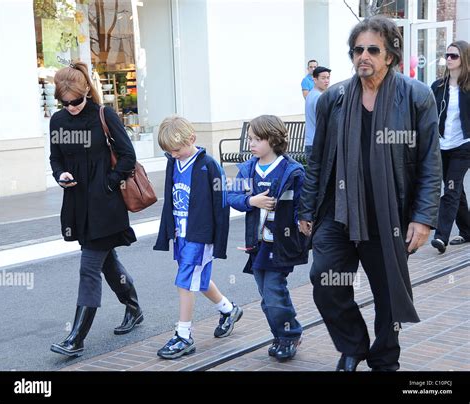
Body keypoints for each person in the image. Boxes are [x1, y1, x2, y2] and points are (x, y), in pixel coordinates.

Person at [298, 16, 441, 371]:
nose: (363, 56)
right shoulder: (333, 98)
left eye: (372, 50)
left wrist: (423, 218)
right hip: (338, 210)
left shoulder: (415, 96)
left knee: (388, 295)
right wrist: (306, 209)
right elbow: (316, 160)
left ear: (390, 55)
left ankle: (384, 359)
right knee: (324, 278)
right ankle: (352, 346)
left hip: (391, 214)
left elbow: (429, 163)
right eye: (358, 49)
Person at [49, 62, 144, 357]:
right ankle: (134, 307)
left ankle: (75, 338)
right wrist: (61, 175)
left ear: (86, 93)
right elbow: (56, 159)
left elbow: (128, 155)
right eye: (65, 102)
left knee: (89, 267)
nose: (71, 107)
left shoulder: (104, 115)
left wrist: (109, 183)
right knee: (107, 262)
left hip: (106, 205)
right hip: (77, 205)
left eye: (76, 101)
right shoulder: (58, 121)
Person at [154, 116, 243, 359]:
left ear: (191, 139)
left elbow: (221, 204)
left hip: (200, 235)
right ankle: (229, 309)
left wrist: (218, 239)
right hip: (182, 233)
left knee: (184, 281)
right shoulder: (174, 162)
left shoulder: (209, 165)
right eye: (169, 152)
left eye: (176, 149)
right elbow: (170, 198)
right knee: (198, 280)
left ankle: (184, 335)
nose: (174, 155)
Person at [228, 115, 309, 361]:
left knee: (274, 292)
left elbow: (302, 204)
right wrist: (251, 201)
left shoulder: (292, 171)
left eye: (257, 139)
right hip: (258, 245)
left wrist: (302, 222)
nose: (251, 143)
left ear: (273, 140)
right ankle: (281, 332)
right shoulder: (248, 168)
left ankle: (289, 335)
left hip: (282, 244)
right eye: (250, 138)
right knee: (267, 295)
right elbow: (230, 197)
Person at [430, 40, 470, 253]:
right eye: (447, 55)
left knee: (451, 190)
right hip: (442, 146)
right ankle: (468, 230)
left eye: (453, 56)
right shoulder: (438, 86)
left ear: (464, 58)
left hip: (463, 146)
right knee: (456, 189)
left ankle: (441, 236)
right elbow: (427, 116)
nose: (449, 59)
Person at [305, 66, 331, 158]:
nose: (326, 81)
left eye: (328, 78)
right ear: (315, 80)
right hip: (318, 144)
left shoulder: (311, 94)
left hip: (311, 142)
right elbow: (325, 120)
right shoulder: (319, 97)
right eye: (323, 78)